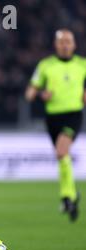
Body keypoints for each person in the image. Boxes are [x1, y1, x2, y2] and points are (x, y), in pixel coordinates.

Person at [25, 29, 86, 222]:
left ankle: (66, 196)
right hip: (52, 118)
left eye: (69, 41)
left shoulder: (82, 65)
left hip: (73, 115)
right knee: (62, 157)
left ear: (74, 45)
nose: (66, 45)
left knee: (61, 151)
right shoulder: (45, 66)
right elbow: (29, 94)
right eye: (62, 42)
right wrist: (42, 94)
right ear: (56, 45)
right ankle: (73, 195)